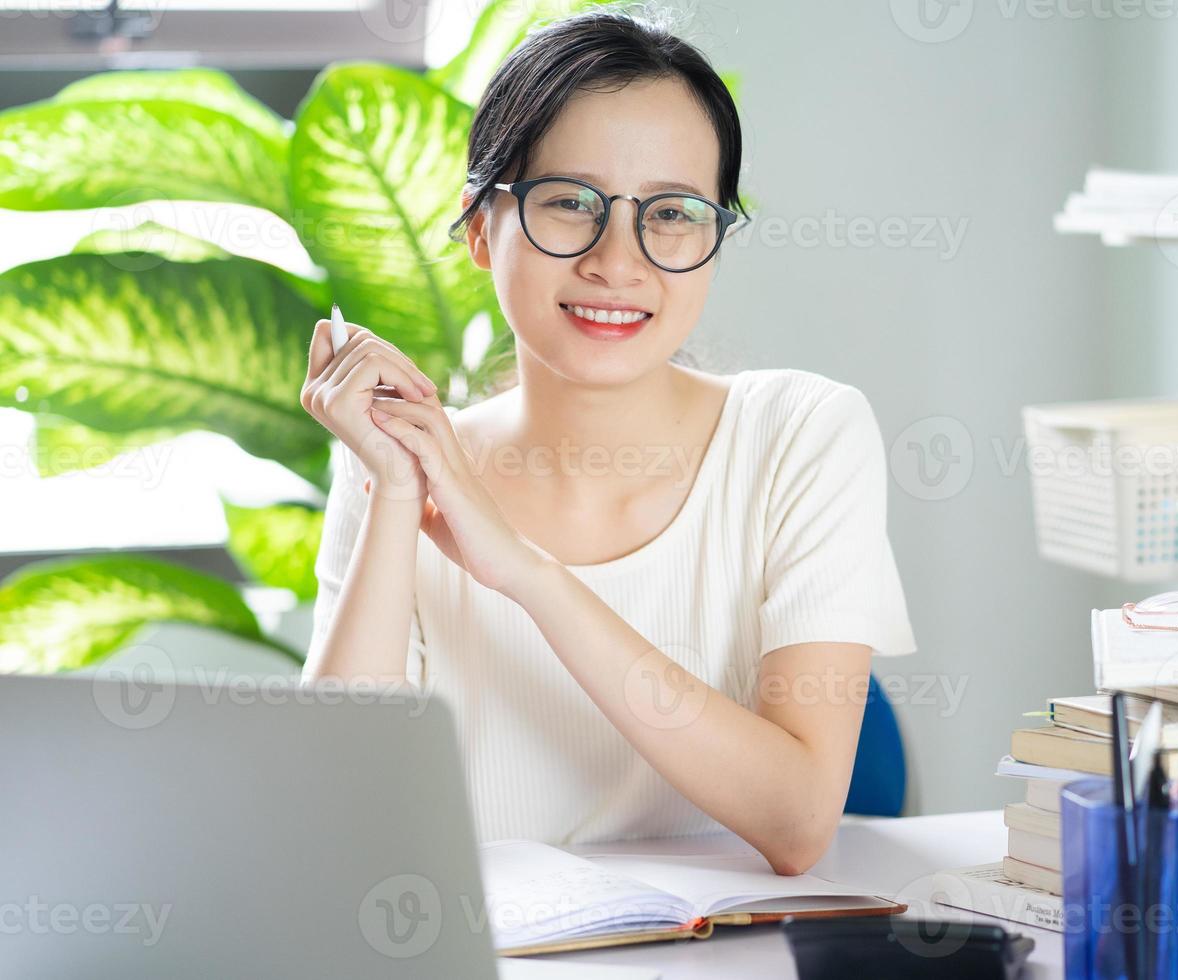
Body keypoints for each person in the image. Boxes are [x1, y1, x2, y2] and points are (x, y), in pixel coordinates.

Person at [298, 7, 915, 876]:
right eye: (569, 203)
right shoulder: (402, 460)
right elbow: (336, 827)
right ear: (480, 227)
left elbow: (798, 820)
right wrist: (397, 493)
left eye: (670, 214)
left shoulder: (801, 435)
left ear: (712, 242)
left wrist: (525, 573)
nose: (616, 262)